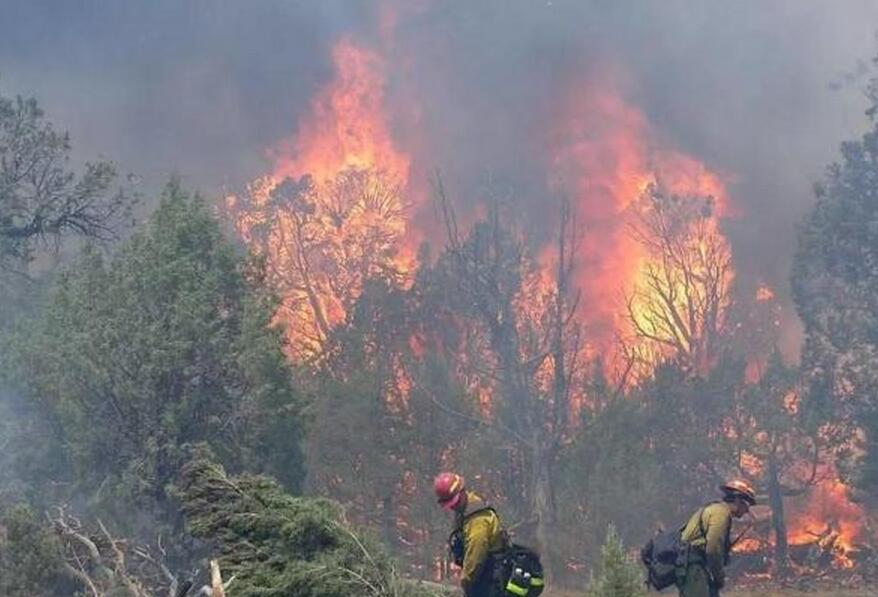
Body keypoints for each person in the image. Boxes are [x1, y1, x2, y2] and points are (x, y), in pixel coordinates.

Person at [677, 479, 756, 597]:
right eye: (747, 506)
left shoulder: (715, 509)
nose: (746, 511)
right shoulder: (721, 513)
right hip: (695, 569)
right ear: (738, 500)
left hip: (693, 568)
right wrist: (719, 577)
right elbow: (713, 549)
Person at [434, 472, 508, 597]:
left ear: (462, 491)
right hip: (484, 574)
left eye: (455, 502)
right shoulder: (465, 511)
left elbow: (476, 554)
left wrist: (465, 581)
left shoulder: (477, 519)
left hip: (489, 577)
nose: (453, 507)